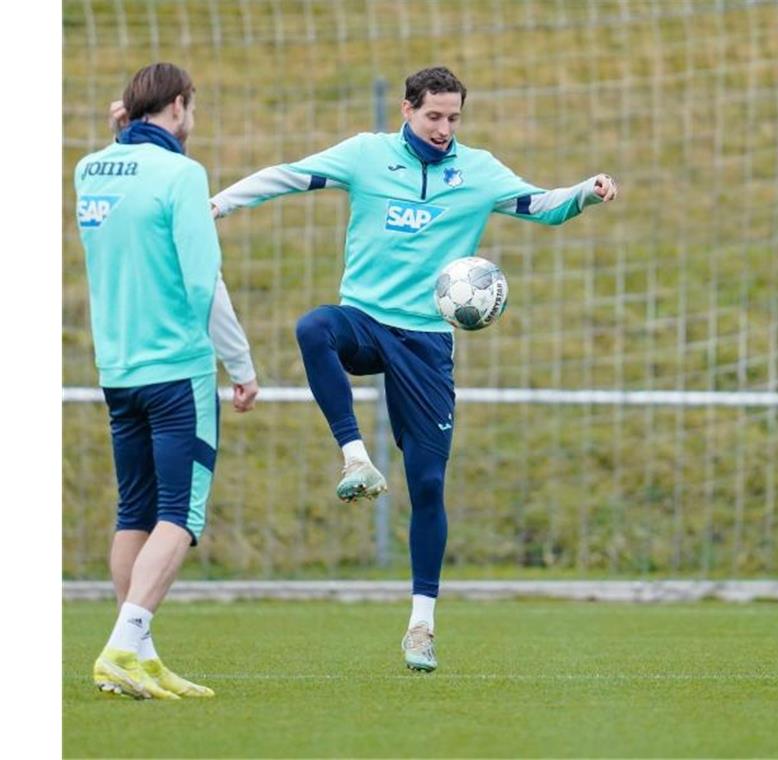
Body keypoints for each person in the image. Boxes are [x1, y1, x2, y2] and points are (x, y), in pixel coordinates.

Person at [204, 66, 617, 672]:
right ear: (406, 109)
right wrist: (216, 204)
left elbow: (543, 206)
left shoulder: (478, 172)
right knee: (314, 326)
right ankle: (353, 457)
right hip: (366, 321)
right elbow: (285, 177)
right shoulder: (366, 156)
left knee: (427, 484)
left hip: (426, 343)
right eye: (434, 116)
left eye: (454, 118)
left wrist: (585, 191)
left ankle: (421, 626)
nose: (445, 128)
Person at [80, 62, 260, 699]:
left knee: (135, 512)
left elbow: (120, 159)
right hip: (176, 369)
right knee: (180, 516)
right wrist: (240, 366)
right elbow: (201, 282)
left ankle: (141, 656)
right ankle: (122, 645)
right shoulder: (183, 175)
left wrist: (119, 132)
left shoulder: (90, 168)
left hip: (118, 369)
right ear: (179, 105)